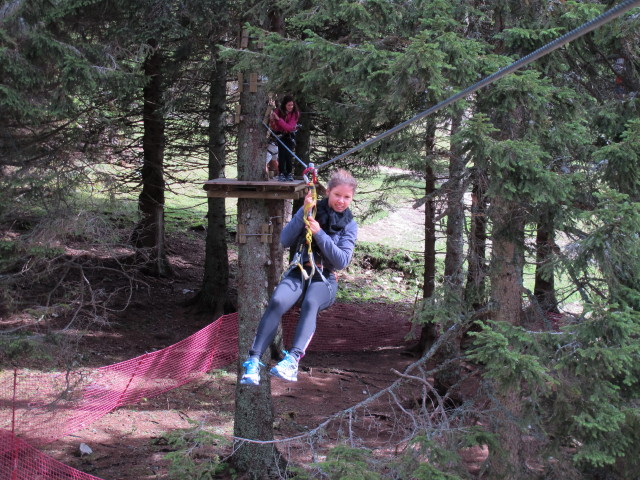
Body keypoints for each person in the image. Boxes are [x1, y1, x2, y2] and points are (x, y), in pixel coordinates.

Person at [240, 169, 358, 385]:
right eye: (337, 195)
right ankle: (253, 361)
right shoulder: (310, 210)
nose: (341, 201)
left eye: (347, 197)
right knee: (277, 301)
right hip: (299, 271)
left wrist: (319, 234)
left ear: (352, 198)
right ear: (328, 192)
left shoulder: (349, 225)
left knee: (311, 302)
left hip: (325, 279)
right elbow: (284, 239)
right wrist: (303, 212)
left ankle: (292, 360)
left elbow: (341, 261)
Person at [269, 95, 300, 182]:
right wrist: (272, 120)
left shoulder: (295, 113)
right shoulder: (278, 111)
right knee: (282, 154)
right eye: (289, 105)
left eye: (292, 105)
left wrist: (278, 119)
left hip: (290, 135)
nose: (291, 107)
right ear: (284, 105)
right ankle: (281, 173)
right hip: (280, 135)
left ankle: (289, 173)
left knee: (288, 154)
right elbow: (274, 126)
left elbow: (289, 127)